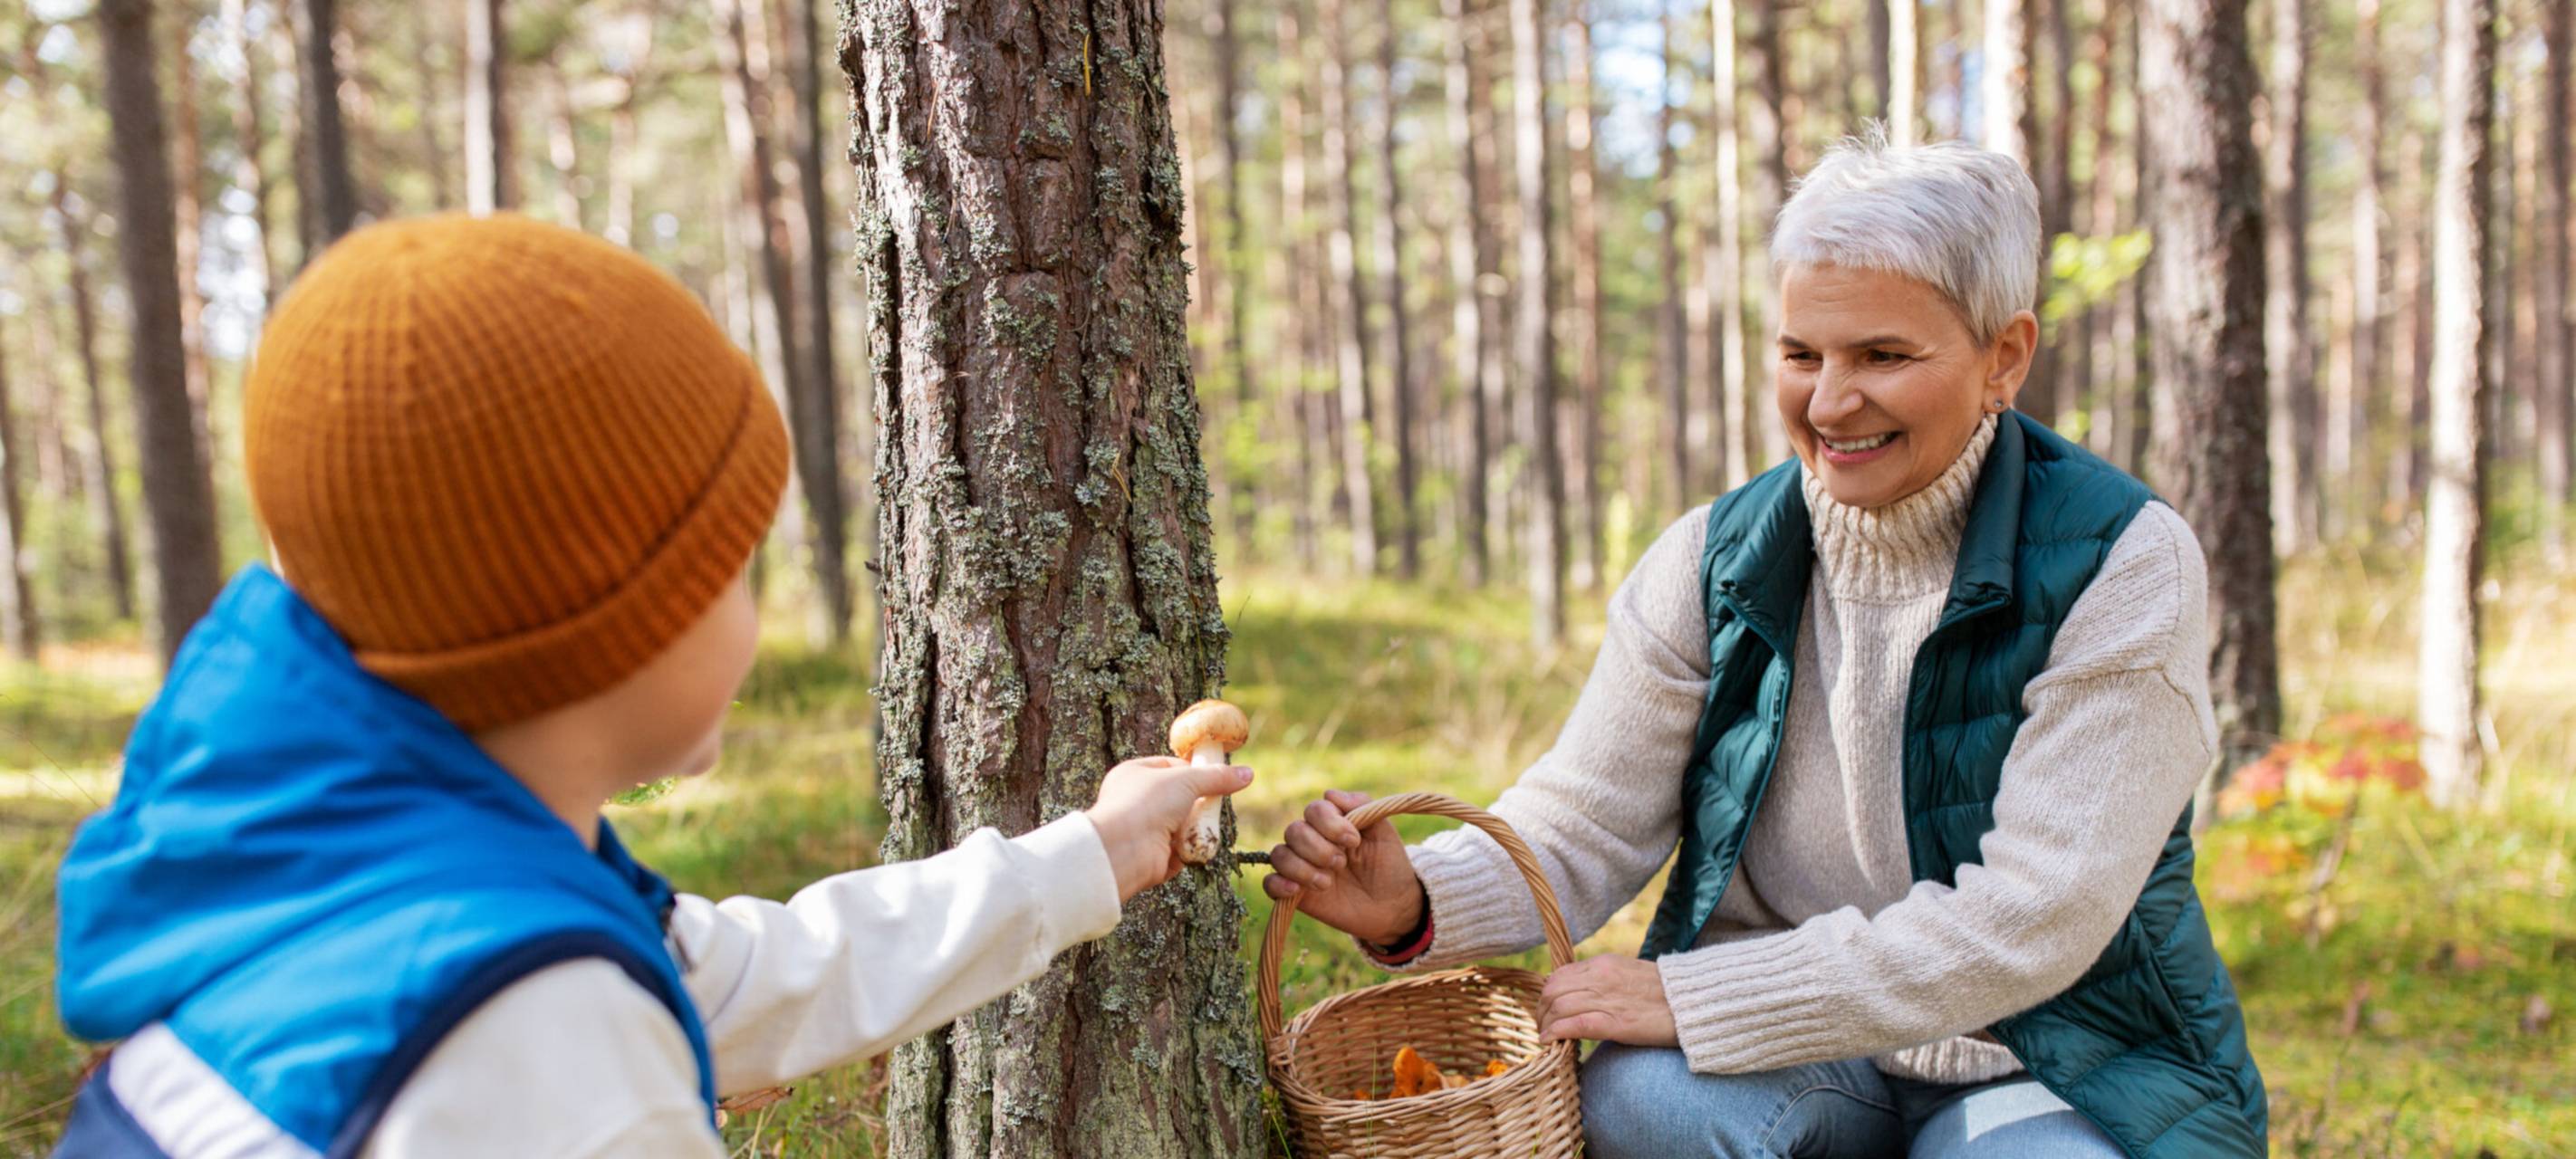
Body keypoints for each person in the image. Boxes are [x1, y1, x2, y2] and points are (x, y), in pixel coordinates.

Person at [48, 215, 1249, 1158]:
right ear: (606, 633)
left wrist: (1090, 855)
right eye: (730, 565)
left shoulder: (360, 874)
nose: (753, 612)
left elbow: (758, 981)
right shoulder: (545, 1046)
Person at [1263, 131, 2266, 1158]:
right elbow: (1588, 817)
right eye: (1802, 354)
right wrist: (1412, 897)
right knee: (1641, 1107)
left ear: (2005, 354)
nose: (1829, 402)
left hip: (2052, 1054)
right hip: (1791, 1053)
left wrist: (1689, 995)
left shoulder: (2123, 562)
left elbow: (2031, 916)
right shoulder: (1713, 559)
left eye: (1883, 355)